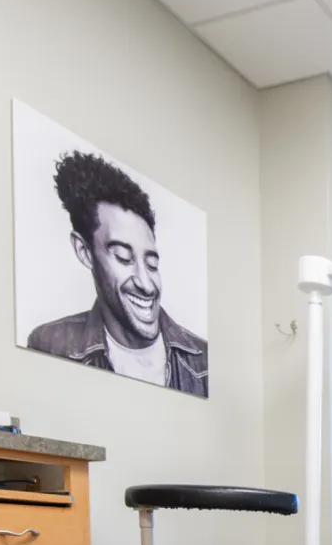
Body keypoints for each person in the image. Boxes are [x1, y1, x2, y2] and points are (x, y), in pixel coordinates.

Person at [27, 151, 208, 397]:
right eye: (124, 258)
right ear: (84, 251)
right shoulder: (50, 344)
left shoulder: (203, 361)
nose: (146, 284)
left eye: (152, 264)